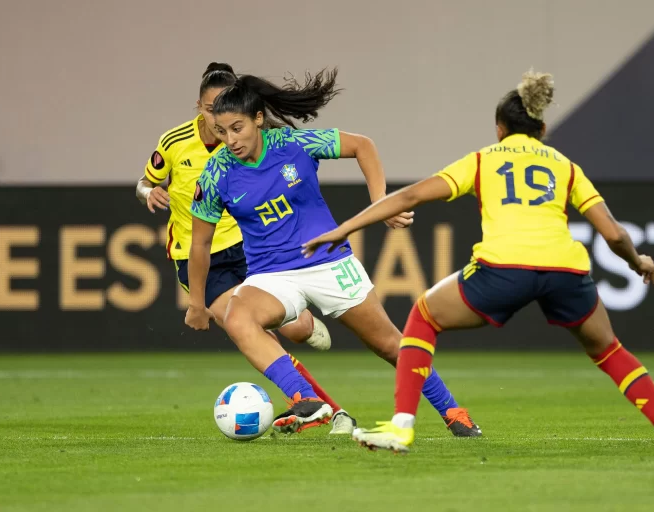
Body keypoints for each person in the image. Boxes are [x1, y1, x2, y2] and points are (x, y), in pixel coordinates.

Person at [301, 70, 654, 462]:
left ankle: (402, 425)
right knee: (610, 351)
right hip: (565, 271)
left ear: (498, 128)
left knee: (423, 316)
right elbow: (613, 234)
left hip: (504, 269)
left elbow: (410, 197)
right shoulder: (565, 167)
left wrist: (345, 228)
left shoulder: (483, 161)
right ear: (542, 129)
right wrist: (638, 261)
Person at [185, 68, 482, 436]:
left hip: (328, 262)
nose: (230, 140)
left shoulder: (293, 144)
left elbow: (363, 145)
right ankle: (304, 399)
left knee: (391, 345)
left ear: (258, 119)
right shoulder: (216, 174)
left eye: (238, 128)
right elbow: (199, 244)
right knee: (236, 317)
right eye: (222, 131)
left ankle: (454, 412)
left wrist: (381, 203)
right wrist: (197, 303)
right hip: (271, 275)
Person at [136, 62, 356, 435]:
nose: (216, 120)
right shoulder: (173, 142)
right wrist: (148, 192)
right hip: (200, 257)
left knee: (296, 330)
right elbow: (144, 181)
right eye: (208, 109)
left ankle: (302, 330)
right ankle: (316, 403)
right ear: (198, 105)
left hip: (249, 248)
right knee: (245, 328)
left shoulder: (253, 138)